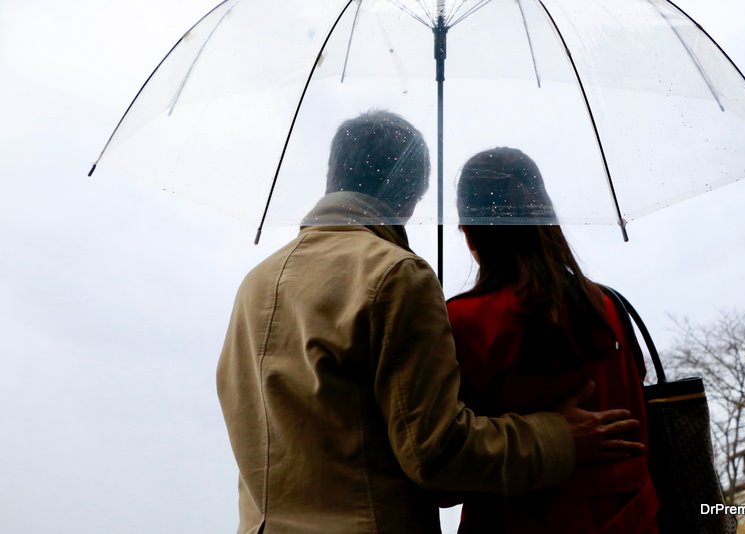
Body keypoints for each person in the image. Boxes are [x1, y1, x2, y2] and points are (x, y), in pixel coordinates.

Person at [217, 112, 644, 534]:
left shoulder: (254, 284)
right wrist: (558, 437)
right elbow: (434, 456)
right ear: (409, 195)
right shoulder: (395, 275)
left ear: (332, 175)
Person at [447, 147, 659, 533]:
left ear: (469, 230)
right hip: (635, 517)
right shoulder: (608, 307)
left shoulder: (462, 322)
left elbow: (447, 465)